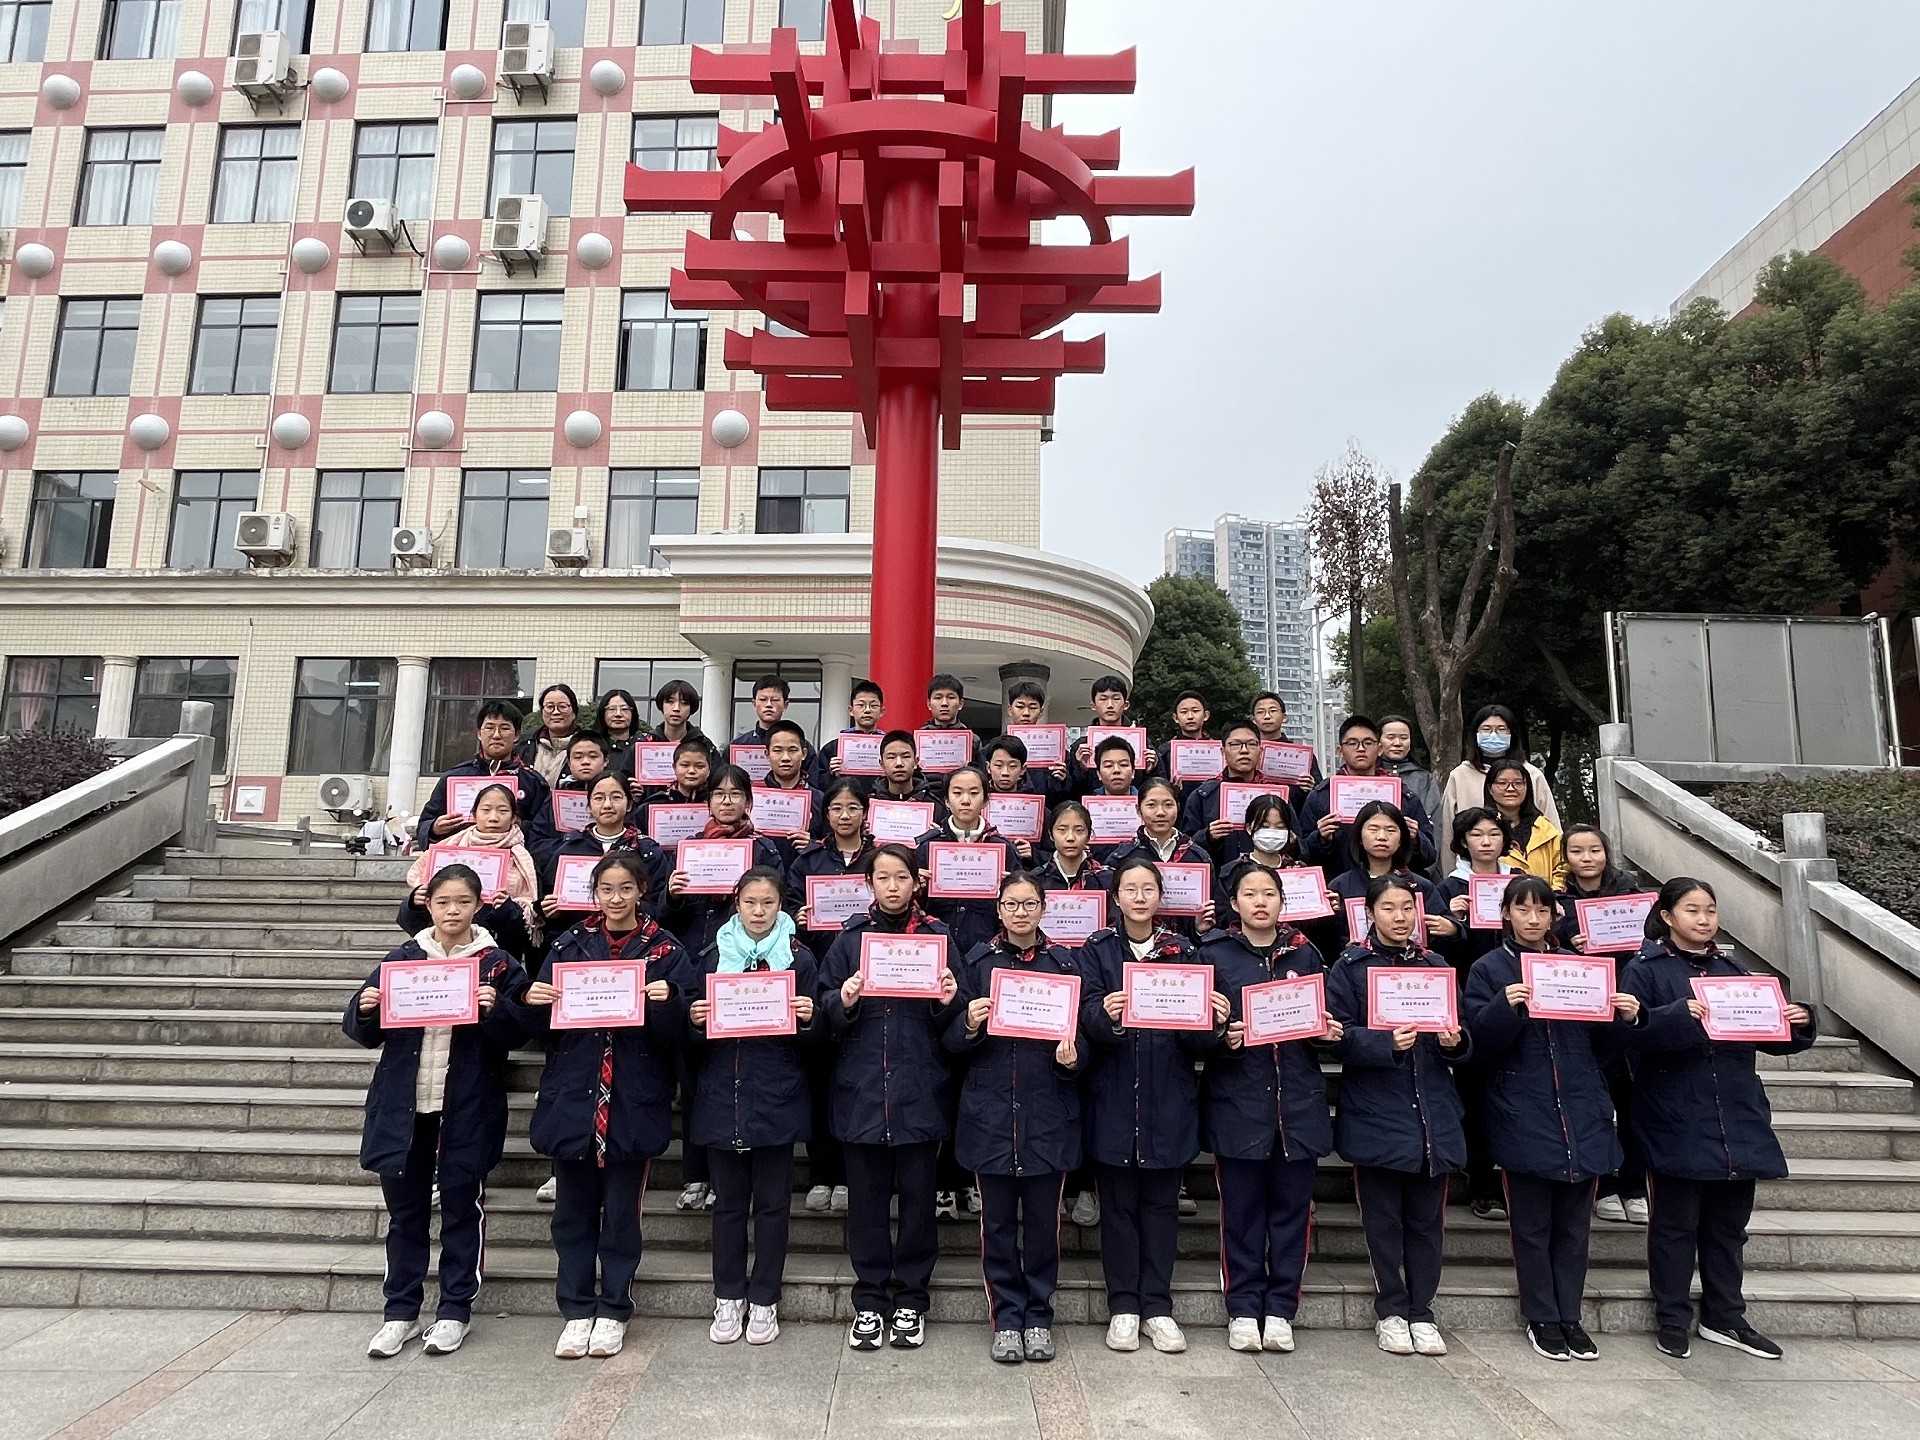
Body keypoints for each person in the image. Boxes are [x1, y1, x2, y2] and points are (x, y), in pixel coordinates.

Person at [1624, 877, 1816, 1361]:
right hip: (1675, 1114)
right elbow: (1626, 1037)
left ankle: (1725, 1316)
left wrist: (1799, 1022)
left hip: (1737, 1112)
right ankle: (1672, 1316)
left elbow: (1769, 1036)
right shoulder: (1644, 970)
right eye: (1692, 910)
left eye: (1710, 910)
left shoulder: (1733, 970)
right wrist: (1675, 1015)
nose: (1704, 919)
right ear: (1667, 916)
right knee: (1674, 1227)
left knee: (1729, 1227)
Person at [518, 854, 696, 1360]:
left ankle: (614, 1308)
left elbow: (683, 1032)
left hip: (632, 1097)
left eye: (626, 889)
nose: (616, 899)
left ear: (642, 891)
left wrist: (670, 1000)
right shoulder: (568, 945)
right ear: (593, 894)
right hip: (573, 1094)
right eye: (606, 889)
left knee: (621, 1216)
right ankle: (576, 1309)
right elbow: (539, 1029)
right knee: (571, 1216)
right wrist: (532, 1001)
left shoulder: (666, 949)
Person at [347, 864, 528, 1359]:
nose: (453, 911)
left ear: (478, 906)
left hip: (466, 1105)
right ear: (427, 905)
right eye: (443, 902)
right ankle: (400, 1312)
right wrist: (365, 1008)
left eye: (463, 902)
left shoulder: (497, 964)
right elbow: (363, 1031)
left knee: (462, 1210)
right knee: (405, 1214)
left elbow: (521, 1032)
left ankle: (454, 1310)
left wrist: (497, 1009)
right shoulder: (402, 958)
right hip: (405, 1106)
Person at [1463, 875, 1641, 1362]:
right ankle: (1541, 1315)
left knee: (1574, 1229)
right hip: (1522, 1108)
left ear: (1556, 916)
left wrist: (1624, 1018)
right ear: (1505, 913)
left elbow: (1604, 1048)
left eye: (1543, 910)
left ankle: (1571, 1316)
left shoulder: (1581, 968)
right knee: (1531, 1226)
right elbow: (1476, 1044)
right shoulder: (1488, 969)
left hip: (1581, 1107)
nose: (1533, 918)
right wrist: (1505, 1007)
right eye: (1523, 909)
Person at [821, 844, 964, 1354]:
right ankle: (869, 1298)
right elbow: (821, 1008)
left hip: (919, 1089)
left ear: (916, 882)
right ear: (870, 884)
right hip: (862, 1090)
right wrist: (842, 1001)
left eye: (901, 877)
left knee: (920, 1204)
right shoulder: (850, 939)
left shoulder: (938, 937)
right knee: (866, 1204)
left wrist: (949, 1002)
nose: (892, 886)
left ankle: (912, 1298)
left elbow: (963, 1018)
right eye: (882, 877)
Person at [1326, 873, 1472, 1357]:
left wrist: (1454, 1042)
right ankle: (1391, 1308)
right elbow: (1334, 1034)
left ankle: (1422, 1311)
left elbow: (1461, 1036)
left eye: (1408, 908)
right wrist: (1381, 1043)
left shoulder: (1435, 964)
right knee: (1383, 1221)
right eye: (1388, 908)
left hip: (1432, 1112)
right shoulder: (1350, 967)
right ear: (1369, 913)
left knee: (1427, 1223)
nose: (1400, 917)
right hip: (1376, 1110)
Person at [1203, 862, 1340, 1355]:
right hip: (1239, 1105)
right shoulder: (1213, 954)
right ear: (1234, 903)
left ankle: (1281, 1308)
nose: (1260, 902)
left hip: (1297, 1106)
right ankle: (1243, 1307)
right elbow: (1194, 1032)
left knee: (1291, 1214)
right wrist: (1222, 1037)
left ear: (1283, 902)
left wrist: (1327, 1033)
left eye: (1269, 893)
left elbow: (1324, 1025)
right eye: (1250, 894)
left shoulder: (1306, 954)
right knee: (1240, 1215)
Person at [948, 872, 1084, 1364]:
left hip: (1047, 1113)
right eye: (1011, 904)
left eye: (1029, 904)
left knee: (1044, 1226)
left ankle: (1039, 1315)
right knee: (998, 1226)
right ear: (999, 909)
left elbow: (1084, 1040)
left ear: (1044, 908)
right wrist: (968, 1023)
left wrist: (1072, 1058)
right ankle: (1006, 1317)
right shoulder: (977, 962)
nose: (1020, 912)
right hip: (990, 1113)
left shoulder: (1065, 963)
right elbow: (949, 1041)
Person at [1078, 856, 1209, 1355]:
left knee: (1160, 1209)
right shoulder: (1097, 949)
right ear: (1115, 897)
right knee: (1117, 1210)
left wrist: (1212, 1020)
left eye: (1148, 889)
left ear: (1160, 897)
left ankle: (1157, 1306)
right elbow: (1083, 1013)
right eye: (1129, 889)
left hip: (1168, 1098)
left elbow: (1199, 1037)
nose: (1138, 897)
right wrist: (1104, 1014)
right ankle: (1124, 1307)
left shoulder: (1184, 951)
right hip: (1113, 1097)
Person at [688, 868, 821, 1348]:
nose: (759, 912)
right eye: (750, 903)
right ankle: (728, 1296)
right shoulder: (711, 956)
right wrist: (694, 1020)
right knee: (727, 1206)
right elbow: (685, 1038)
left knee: (772, 1205)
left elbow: (819, 1037)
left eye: (768, 903)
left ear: (781, 906)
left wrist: (810, 1018)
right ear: (737, 904)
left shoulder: (799, 959)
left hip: (775, 1094)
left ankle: (764, 1297)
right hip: (723, 1093)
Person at [660, 765, 785, 1212]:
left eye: (735, 794)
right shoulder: (689, 849)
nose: (727, 801)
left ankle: (738, 1181)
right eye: (719, 794)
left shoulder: (765, 850)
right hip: (699, 965)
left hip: (752, 971)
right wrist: (672, 895)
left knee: (743, 1076)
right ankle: (698, 1174)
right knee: (698, 1079)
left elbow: (779, 906)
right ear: (708, 800)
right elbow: (665, 917)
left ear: (749, 801)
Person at [1554, 824, 1648, 1225]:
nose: (1587, 858)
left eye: (1594, 849)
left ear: (1606, 853)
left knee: (1634, 1103)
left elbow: (1653, 943)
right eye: (1577, 851)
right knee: (1596, 1104)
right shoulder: (1557, 903)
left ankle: (1634, 1186)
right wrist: (1567, 941)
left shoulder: (1631, 896)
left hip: (1628, 1005)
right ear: (1565, 857)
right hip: (1583, 1013)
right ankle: (1605, 1186)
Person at [787, 778, 872, 1213]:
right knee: (821, 1080)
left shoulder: (879, 859)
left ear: (865, 813)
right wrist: (798, 918)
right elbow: (786, 908)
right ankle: (822, 1172)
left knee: (856, 1084)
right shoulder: (809, 860)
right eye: (837, 807)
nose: (844, 815)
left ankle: (850, 1177)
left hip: (867, 985)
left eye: (853, 807)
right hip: (819, 979)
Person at [1430, 806, 1515, 1219]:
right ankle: (1481, 1182)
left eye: (1494, 834)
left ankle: (1515, 1179)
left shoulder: (1519, 883)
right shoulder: (1448, 887)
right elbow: (1435, 949)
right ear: (1463, 841)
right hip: (1469, 1000)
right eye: (1477, 834)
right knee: (1475, 1094)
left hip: (1519, 997)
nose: (1486, 841)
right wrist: (1455, 924)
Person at [399, 782, 540, 962]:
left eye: (503, 811)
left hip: (496, 960)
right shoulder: (448, 849)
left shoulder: (524, 861)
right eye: (486, 810)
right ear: (474, 814)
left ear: (514, 818)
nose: (493, 818)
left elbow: (525, 933)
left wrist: (506, 909)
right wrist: (414, 904)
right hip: (441, 955)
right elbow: (413, 924)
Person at [1298, 715, 1437, 876]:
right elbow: (1303, 855)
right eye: (1352, 743)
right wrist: (1320, 838)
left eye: (1368, 743)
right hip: (1338, 886)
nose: (1361, 749)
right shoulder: (1321, 796)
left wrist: (1415, 838)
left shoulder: (1402, 796)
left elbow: (1429, 856)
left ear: (1380, 749)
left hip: (1393, 886)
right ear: (1340, 751)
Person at [415, 699, 554, 857]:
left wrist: (519, 825)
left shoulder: (533, 782)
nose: (496, 735)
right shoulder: (454, 777)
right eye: (489, 727)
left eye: (504, 728)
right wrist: (434, 828)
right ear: (479, 734)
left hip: (512, 862)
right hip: (458, 861)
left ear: (516, 735)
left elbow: (545, 834)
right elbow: (424, 825)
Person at [915, 766, 1024, 957]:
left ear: (985, 800)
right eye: (957, 793)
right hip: (938, 945)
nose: (965, 800)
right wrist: (915, 887)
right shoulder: (928, 846)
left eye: (974, 793)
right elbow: (913, 907)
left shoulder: (1002, 848)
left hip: (988, 947)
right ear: (947, 800)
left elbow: (1019, 902)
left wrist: (1010, 890)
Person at [540, 772, 671, 925]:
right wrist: (551, 910)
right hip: (580, 935)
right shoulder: (569, 849)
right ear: (589, 806)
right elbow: (548, 895)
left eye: (616, 797)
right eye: (599, 798)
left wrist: (631, 903)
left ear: (629, 805)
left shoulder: (646, 850)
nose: (607, 805)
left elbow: (660, 906)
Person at [1326, 801, 1457, 952]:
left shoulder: (1421, 886)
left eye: (1391, 830)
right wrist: (1333, 916)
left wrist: (1452, 929)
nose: (1382, 837)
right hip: (1358, 964)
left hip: (1411, 964)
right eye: (1373, 829)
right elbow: (1327, 943)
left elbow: (1443, 942)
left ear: (1401, 839)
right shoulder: (1340, 886)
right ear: (1359, 837)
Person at [1103, 776, 1215, 936]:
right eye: (1151, 805)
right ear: (1138, 810)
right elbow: (1113, 913)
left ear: (1178, 807)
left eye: (1168, 805)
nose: (1161, 812)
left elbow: (1208, 911)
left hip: (1186, 947)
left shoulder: (1198, 858)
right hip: (1133, 944)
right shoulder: (1121, 859)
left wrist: (1198, 929)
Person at [1435, 704, 1560, 845]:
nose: (1493, 735)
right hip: (1474, 857)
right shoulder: (1460, 775)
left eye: (1501, 729)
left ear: (1512, 734)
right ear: (1475, 734)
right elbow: (1447, 830)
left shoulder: (1532, 774)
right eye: (1486, 729)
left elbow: (1551, 824)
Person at [1485, 759, 1567, 888]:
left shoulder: (1544, 827)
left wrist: (1553, 893)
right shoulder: (1481, 829)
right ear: (1490, 789)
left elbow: (1562, 867)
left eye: (1518, 783)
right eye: (1502, 783)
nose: (1510, 789)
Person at [1070, 675, 1156, 794]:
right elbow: (1071, 792)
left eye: (1116, 698)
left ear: (1126, 705)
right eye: (1103, 699)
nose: (1110, 705)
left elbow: (1157, 788)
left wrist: (1151, 770)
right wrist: (1081, 768)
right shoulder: (1081, 746)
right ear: (1093, 706)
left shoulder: (1143, 744)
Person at [759, 718, 826, 865]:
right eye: (778, 751)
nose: (785, 758)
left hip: (804, 873)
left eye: (792, 750)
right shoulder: (753, 799)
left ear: (804, 753)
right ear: (767, 754)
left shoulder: (819, 800)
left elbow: (833, 844)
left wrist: (814, 844)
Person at [811, 678, 885, 789]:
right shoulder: (832, 748)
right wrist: (832, 774)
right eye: (861, 705)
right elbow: (818, 784)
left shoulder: (889, 747)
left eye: (873, 706)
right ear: (851, 710)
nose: (867, 710)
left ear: (882, 711)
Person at [1251, 690, 1321, 805]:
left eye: (1273, 711)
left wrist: (1312, 787)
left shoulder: (1303, 756)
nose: (1267, 716)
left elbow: (1320, 795)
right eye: (1260, 712)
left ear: (1284, 717)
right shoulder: (1247, 753)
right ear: (1253, 720)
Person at [1378, 714, 1442, 823]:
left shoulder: (1424, 779)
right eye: (1391, 737)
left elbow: (1434, 820)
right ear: (1378, 741)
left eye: (1404, 738)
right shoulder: (1368, 774)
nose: (1397, 743)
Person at [1034, 800, 1107, 894]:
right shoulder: (1036, 880)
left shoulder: (1105, 879)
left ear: (1088, 836)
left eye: (1078, 830)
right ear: (1051, 835)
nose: (1070, 838)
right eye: (1062, 830)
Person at [519, 684, 582, 786]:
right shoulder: (527, 742)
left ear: (574, 712)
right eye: (550, 707)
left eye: (562, 707)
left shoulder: (587, 745)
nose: (556, 712)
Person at [594, 688, 643, 774]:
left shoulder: (643, 744)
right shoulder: (592, 744)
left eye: (624, 709)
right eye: (611, 709)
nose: (618, 714)